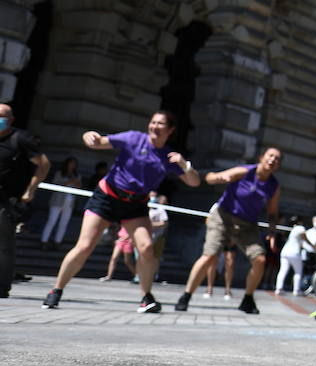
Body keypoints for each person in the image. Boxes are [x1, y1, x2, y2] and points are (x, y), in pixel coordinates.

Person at [44, 111, 200, 311]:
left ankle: (146, 297)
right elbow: (99, 142)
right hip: (107, 197)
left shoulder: (169, 156)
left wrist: (184, 165)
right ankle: (55, 291)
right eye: (153, 122)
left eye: (160, 124)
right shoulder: (133, 138)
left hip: (135, 205)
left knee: (146, 249)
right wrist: (88, 136)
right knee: (84, 246)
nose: (154, 126)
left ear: (170, 130)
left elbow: (194, 182)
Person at [173, 148, 283, 314]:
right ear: (262, 157)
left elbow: (272, 212)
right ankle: (186, 296)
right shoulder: (244, 171)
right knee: (210, 255)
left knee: (260, 259)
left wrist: (272, 233)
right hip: (223, 217)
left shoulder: (273, 186)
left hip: (247, 225)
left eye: (277, 158)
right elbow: (209, 178)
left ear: (278, 165)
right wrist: (220, 178)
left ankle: (248, 299)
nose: (273, 160)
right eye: (270, 156)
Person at [1, 102, 50, 298]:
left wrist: (31, 189)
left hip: (6, 199)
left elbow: (44, 164)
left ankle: (2, 285)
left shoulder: (20, 139)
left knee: (4, 243)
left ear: (11, 119)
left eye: (3, 116)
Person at [39, 156, 81, 250]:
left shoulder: (77, 175)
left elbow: (79, 187)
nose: (72, 165)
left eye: (74, 164)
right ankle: (44, 240)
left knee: (64, 223)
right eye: (71, 163)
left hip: (70, 201)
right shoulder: (59, 173)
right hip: (58, 200)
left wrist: (76, 182)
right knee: (52, 220)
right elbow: (55, 184)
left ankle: (57, 241)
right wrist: (69, 181)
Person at [276, 216, 313, 295]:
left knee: (283, 270)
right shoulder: (300, 228)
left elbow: (302, 243)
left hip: (285, 252)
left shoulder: (292, 230)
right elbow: (304, 238)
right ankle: (296, 290)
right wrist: (312, 245)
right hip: (294, 253)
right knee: (298, 272)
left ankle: (279, 288)